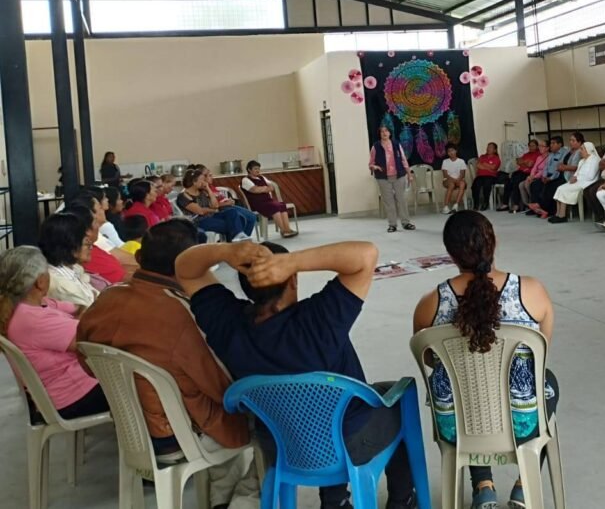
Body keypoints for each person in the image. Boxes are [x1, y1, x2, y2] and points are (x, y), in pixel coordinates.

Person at [176, 239, 418, 509]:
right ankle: (402, 500)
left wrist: (224, 251)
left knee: (326, 406)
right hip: (348, 443)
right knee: (395, 402)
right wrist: (293, 262)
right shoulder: (320, 319)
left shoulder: (226, 323)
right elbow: (365, 254)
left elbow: (185, 269)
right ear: (292, 279)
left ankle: (335, 501)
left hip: (281, 444)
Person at [78, 219, 259, 508]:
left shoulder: (106, 299)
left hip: (132, 430)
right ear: (192, 266)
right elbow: (221, 385)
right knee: (273, 419)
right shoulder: (184, 313)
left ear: (139, 257)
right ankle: (241, 501)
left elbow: (87, 362)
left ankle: (222, 498)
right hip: (178, 435)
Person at [413, 211, 557, 509]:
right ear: (494, 242)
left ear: (450, 253)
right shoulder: (532, 291)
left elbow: (429, 359)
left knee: (466, 391)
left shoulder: (430, 304)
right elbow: (540, 355)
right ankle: (524, 485)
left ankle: (483, 487)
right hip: (522, 424)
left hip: (456, 427)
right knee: (548, 382)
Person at [1, 245, 110, 418]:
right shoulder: (33, 319)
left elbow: (79, 308)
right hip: (72, 396)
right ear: (40, 281)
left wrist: (82, 318)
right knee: (141, 382)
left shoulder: (32, 304)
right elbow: (92, 339)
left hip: (69, 387)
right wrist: (84, 320)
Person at [64, 200, 135, 284]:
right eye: (95, 222)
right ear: (87, 230)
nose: (98, 225)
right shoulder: (85, 254)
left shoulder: (92, 247)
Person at [177, 169, 257, 242]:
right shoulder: (183, 196)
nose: (205, 182)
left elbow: (215, 205)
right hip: (200, 221)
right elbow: (200, 211)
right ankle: (236, 244)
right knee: (232, 225)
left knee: (233, 212)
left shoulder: (202, 192)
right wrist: (213, 210)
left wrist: (208, 189)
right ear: (194, 182)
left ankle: (237, 239)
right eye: (202, 180)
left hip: (211, 216)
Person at [38, 213, 100, 306]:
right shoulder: (61, 285)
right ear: (70, 247)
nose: (90, 247)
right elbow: (94, 309)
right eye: (86, 243)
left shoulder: (74, 270)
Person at [529, 132, 584, 219]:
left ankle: (543, 208)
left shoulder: (577, 152)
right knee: (536, 184)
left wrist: (555, 175)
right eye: (570, 140)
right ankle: (542, 208)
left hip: (569, 176)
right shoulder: (570, 152)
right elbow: (548, 166)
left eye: (573, 141)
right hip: (562, 173)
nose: (571, 142)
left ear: (580, 142)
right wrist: (544, 176)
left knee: (552, 185)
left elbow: (575, 167)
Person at [241, 161, 300, 238]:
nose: (258, 170)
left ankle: (287, 229)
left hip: (268, 201)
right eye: (255, 169)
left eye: (258, 169)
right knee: (274, 207)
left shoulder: (262, 177)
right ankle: (283, 231)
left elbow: (272, 187)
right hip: (257, 203)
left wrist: (262, 189)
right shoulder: (245, 180)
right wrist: (265, 188)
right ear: (249, 169)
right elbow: (254, 190)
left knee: (282, 205)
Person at [549, 141, 601, 223]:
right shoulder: (582, 161)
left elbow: (590, 176)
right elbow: (577, 172)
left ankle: (562, 216)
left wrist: (577, 177)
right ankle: (558, 214)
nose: (580, 151)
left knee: (564, 189)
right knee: (559, 188)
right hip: (578, 181)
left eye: (582, 149)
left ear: (588, 150)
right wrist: (574, 177)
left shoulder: (595, 160)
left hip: (587, 183)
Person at [504, 140, 543, 213]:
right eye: (530, 146)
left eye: (533, 146)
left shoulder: (538, 155)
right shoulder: (526, 154)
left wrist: (523, 162)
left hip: (528, 173)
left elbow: (530, 165)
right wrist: (525, 162)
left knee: (516, 182)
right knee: (508, 181)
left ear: (537, 146)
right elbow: (518, 161)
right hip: (520, 172)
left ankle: (517, 205)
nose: (531, 147)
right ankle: (505, 204)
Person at [516, 140, 550, 214]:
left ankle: (534, 205)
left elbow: (544, 170)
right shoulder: (539, 157)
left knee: (527, 184)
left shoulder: (549, 157)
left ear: (547, 148)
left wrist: (534, 177)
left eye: (542, 146)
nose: (540, 148)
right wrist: (531, 176)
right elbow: (534, 168)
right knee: (521, 185)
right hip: (534, 176)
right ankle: (528, 205)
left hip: (541, 177)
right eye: (539, 146)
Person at [471, 143, 502, 211]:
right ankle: (476, 204)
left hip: (491, 176)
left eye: (490, 147)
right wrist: (489, 168)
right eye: (488, 147)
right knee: (475, 185)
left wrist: (484, 164)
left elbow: (493, 167)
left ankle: (486, 202)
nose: (488, 148)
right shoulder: (482, 156)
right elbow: (478, 165)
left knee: (487, 184)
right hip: (480, 176)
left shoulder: (496, 158)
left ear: (495, 150)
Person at [441, 144, 469, 214]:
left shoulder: (461, 161)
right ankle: (445, 207)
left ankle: (456, 205)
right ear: (447, 153)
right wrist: (453, 180)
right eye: (449, 151)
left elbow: (462, 174)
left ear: (456, 151)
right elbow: (445, 174)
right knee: (451, 185)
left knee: (462, 184)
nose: (451, 152)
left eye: (452, 150)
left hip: (459, 179)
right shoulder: (445, 161)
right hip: (448, 180)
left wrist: (458, 179)